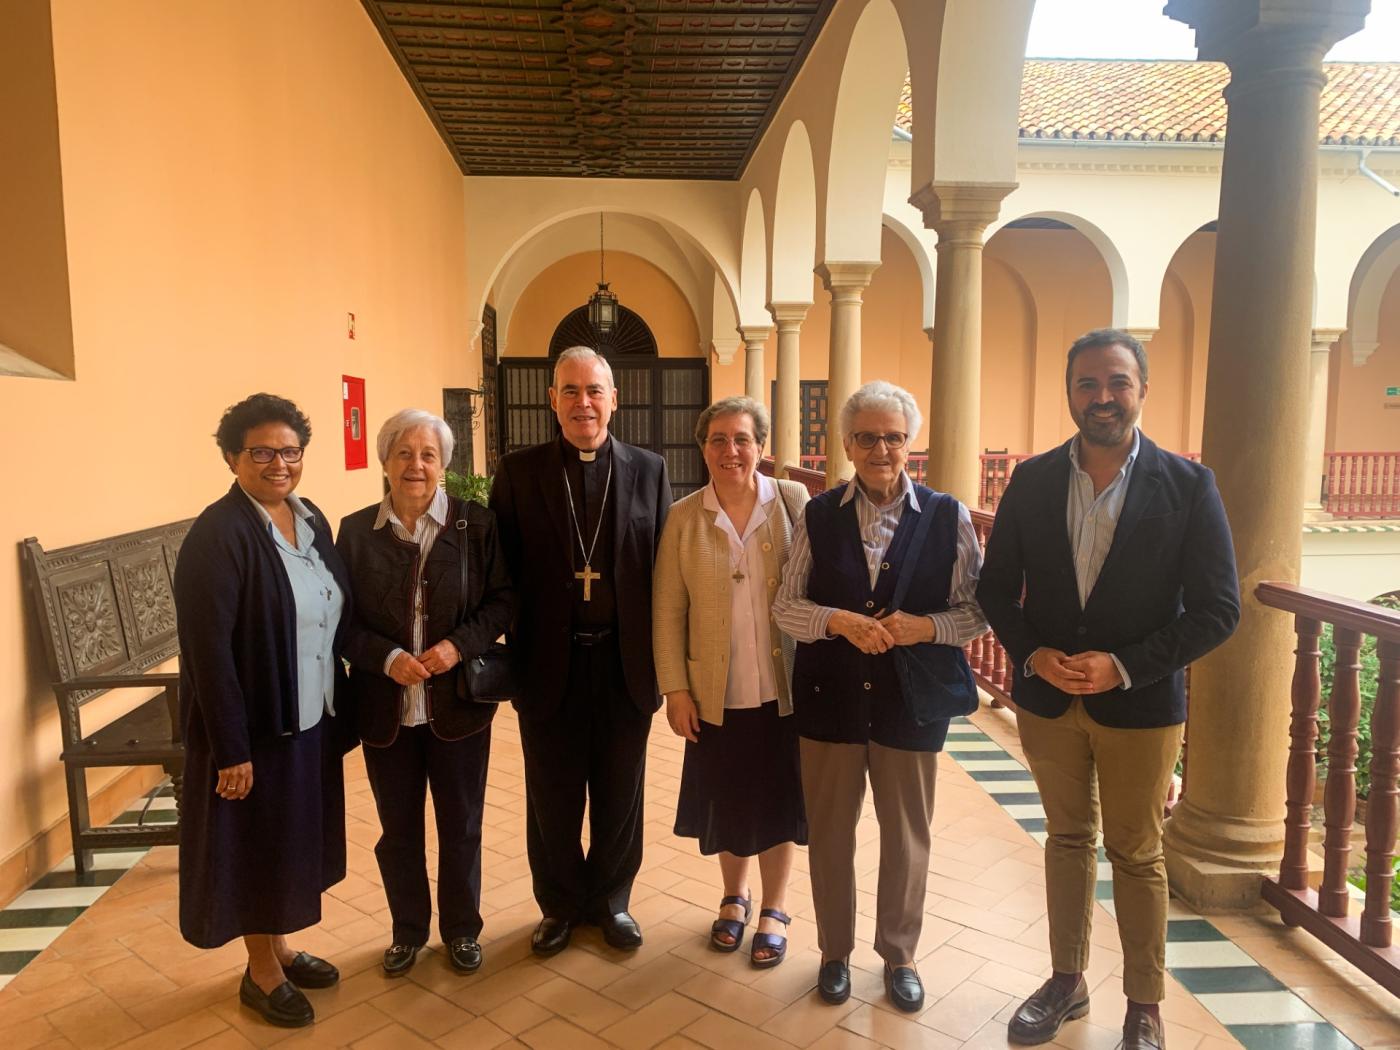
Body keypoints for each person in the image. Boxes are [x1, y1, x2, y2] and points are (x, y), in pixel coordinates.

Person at [977, 329, 1240, 1050]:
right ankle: (1067, 981)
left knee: (1136, 851)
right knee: (1065, 839)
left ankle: (1145, 1004)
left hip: (1141, 704)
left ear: (1142, 390)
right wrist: (1033, 656)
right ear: (1069, 393)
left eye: (1117, 383)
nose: (1102, 397)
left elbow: (1220, 608)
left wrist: (1122, 666)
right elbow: (996, 588)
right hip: (1050, 702)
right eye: (1087, 384)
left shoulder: (1189, 486)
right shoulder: (1030, 480)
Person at [772, 380, 988, 1013]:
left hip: (910, 703)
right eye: (867, 437)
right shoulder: (818, 515)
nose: (880, 449)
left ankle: (899, 955)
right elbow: (786, 605)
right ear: (847, 444)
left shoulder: (948, 517)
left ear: (909, 443)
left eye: (893, 437)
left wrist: (925, 628)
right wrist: (838, 621)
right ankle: (834, 953)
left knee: (907, 835)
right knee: (832, 833)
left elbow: (976, 611)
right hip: (830, 698)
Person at [174, 393, 353, 1029]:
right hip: (256, 727)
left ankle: (280, 945)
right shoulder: (217, 537)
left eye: (290, 451)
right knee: (256, 845)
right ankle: (261, 971)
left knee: (289, 841)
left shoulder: (309, 519)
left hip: (308, 716)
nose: (279, 463)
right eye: (262, 452)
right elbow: (207, 653)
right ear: (232, 457)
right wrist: (232, 749)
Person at [490, 345, 671, 955]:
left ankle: (611, 901)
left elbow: (664, 575)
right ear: (552, 401)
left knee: (621, 793)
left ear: (613, 399)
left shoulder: (649, 470)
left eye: (594, 391)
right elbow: (502, 574)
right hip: (549, 665)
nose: (583, 403)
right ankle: (560, 906)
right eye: (570, 391)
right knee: (553, 795)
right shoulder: (519, 472)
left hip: (624, 665)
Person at [336, 409, 514, 978]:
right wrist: (385, 659)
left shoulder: (476, 525)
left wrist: (456, 647)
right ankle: (407, 930)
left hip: (458, 704)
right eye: (404, 454)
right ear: (385, 461)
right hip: (386, 708)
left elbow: (503, 602)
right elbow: (339, 621)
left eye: (428, 455)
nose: (416, 465)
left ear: (444, 465)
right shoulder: (355, 531)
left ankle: (462, 930)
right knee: (398, 829)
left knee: (461, 823)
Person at [653, 396, 810, 967]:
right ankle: (734, 897)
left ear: (761, 447)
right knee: (727, 797)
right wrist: (675, 688)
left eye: (742, 439)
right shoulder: (684, 516)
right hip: (715, 691)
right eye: (717, 440)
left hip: (784, 687)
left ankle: (775, 907)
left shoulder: (793, 503)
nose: (730, 451)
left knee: (777, 799)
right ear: (703, 448)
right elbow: (667, 610)